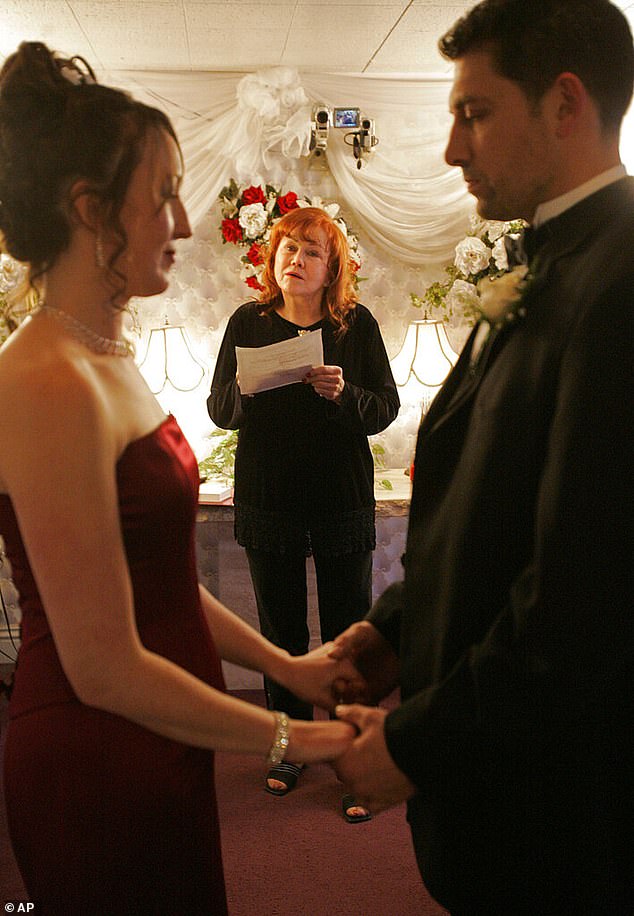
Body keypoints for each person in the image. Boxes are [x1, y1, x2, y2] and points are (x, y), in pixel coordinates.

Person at [0, 42, 359, 914]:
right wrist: (296, 739)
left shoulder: (104, 354)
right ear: (90, 211)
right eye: (163, 196)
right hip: (100, 749)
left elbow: (154, 579)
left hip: (159, 734)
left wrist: (292, 667)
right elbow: (105, 665)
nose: (186, 223)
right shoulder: (45, 379)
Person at [330, 0, 634, 912]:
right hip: (505, 789)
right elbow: (484, 502)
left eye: (476, 112)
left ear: (564, 103)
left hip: (559, 813)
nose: (455, 149)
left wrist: (417, 744)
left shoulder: (620, 286)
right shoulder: (552, 260)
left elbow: (583, 599)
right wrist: (395, 627)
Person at [207, 206, 399, 818]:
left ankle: (354, 758)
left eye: (311, 251)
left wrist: (345, 394)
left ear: (331, 266)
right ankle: (287, 749)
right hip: (271, 498)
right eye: (287, 248)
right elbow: (218, 408)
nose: (295, 259)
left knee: (350, 635)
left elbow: (385, 408)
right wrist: (247, 390)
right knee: (282, 635)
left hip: (340, 498)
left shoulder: (356, 325)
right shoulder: (248, 321)